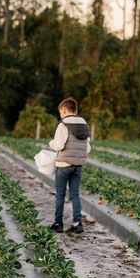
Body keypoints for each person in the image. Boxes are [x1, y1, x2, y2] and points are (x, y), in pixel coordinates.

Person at [48, 97, 91, 234]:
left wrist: (51, 143)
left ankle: (58, 223)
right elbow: (88, 148)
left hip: (64, 164)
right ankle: (77, 223)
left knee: (60, 194)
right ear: (76, 111)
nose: (60, 115)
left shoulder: (63, 125)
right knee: (75, 194)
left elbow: (59, 146)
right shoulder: (84, 125)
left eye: (61, 112)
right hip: (78, 166)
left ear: (64, 110)